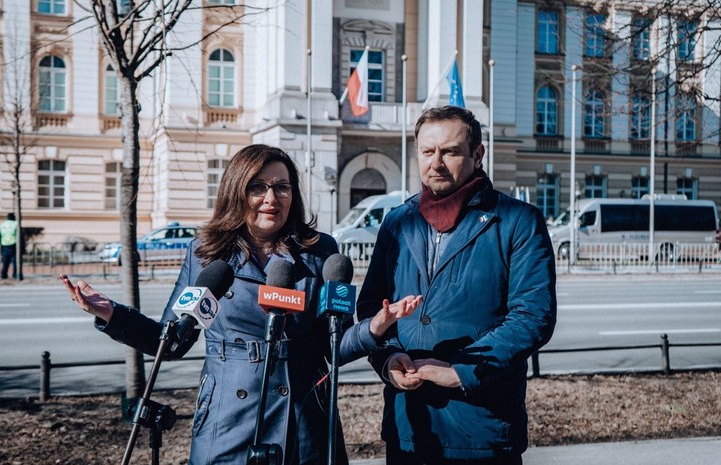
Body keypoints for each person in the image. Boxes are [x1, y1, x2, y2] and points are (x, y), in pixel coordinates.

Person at [60, 144, 421, 465]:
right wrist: (112, 314)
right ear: (237, 192)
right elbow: (171, 341)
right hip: (229, 419)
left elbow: (335, 347)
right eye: (257, 187)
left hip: (305, 418)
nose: (271, 198)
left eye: (282, 187)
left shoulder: (320, 251)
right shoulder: (206, 255)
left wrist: (375, 327)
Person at [357, 106, 557, 465]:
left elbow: (533, 316)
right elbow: (372, 307)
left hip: (480, 427)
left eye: (449, 151)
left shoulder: (518, 220)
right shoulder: (397, 222)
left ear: (477, 155)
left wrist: (461, 370)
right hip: (409, 426)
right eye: (427, 151)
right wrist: (387, 358)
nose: (436, 163)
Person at [0, 213, 18, 279]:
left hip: (4, 244)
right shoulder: (16, 224)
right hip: (13, 244)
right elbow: (20, 236)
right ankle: (15, 275)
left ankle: (4, 274)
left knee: (5, 261)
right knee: (15, 261)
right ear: (14, 217)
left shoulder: (2, 224)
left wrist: (1, 243)